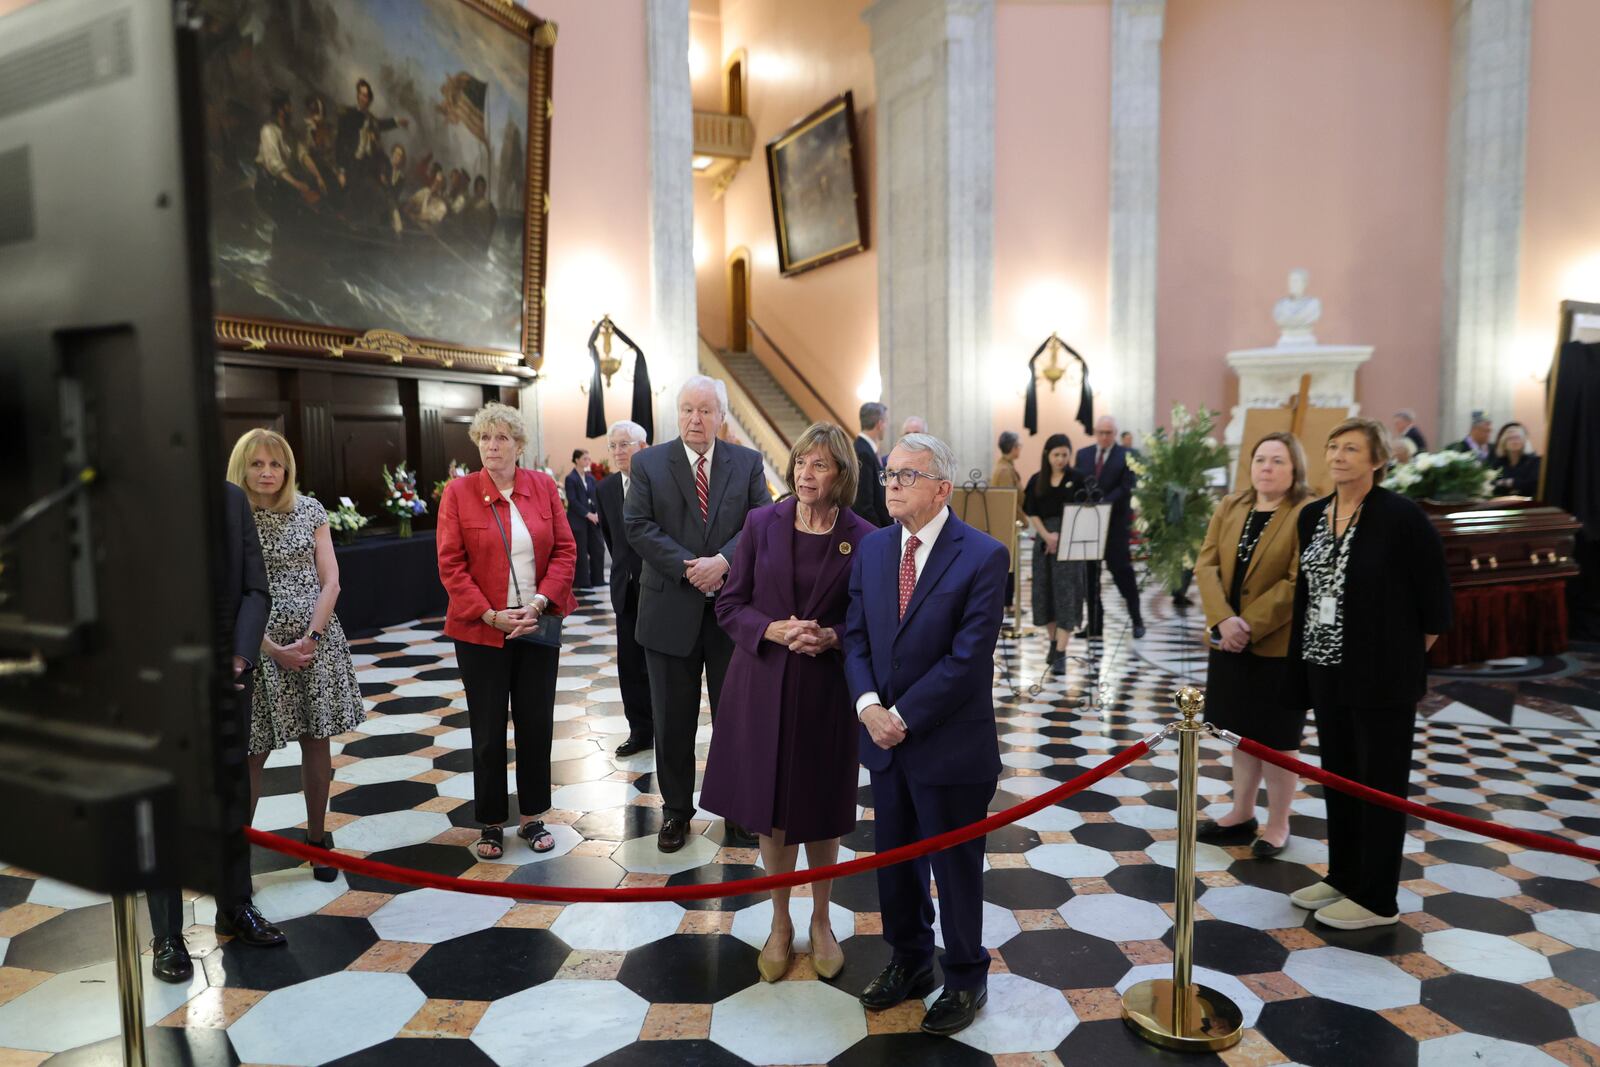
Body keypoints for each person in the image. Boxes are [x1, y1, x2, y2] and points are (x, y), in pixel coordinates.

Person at [846, 434, 1009, 1038]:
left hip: (948, 743)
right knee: (897, 863)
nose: (891, 484)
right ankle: (909, 959)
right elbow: (856, 634)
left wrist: (902, 716)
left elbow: (967, 660)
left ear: (942, 487)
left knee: (956, 865)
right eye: (889, 474)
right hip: (883, 739)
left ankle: (966, 974)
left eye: (907, 476)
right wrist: (867, 706)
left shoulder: (983, 555)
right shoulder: (873, 548)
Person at [701, 423, 875, 983]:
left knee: (823, 810)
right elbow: (730, 604)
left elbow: (869, 621)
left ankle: (822, 921)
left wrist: (832, 637)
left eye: (820, 465)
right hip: (765, 685)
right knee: (770, 813)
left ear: (841, 474)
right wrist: (773, 630)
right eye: (801, 462)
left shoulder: (865, 536)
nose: (805, 473)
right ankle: (779, 924)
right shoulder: (761, 523)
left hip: (826, 692)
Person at [1286, 418, 1452, 930]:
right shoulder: (1313, 515)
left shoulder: (1402, 518)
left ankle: (1377, 898)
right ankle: (1344, 876)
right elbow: (1305, 593)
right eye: (1333, 446)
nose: (1338, 456)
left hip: (1382, 677)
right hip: (1325, 668)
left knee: (1379, 784)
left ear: (1377, 460)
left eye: (1351, 448)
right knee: (1339, 778)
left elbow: (1435, 605)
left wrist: (1401, 659)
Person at [624, 376, 772, 853]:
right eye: (687, 409)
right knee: (672, 722)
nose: (695, 419)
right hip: (669, 609)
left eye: (705, 410)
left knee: (736, 720)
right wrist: (691, 569)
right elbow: (637, 526)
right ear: (677, 414)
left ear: (721, 416)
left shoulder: (746, 462)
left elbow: (760, 522)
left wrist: (723, 563)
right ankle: (675, 813)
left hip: (733, 615)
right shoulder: (648, 463)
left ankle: (738, 810)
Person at [150, 482, 285, 983]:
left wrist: (241, 655)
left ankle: (235, 906)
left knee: (230, 792)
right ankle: (167, 934)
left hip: (230, 677)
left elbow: (255, 587)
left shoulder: (229, 498)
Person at [436, 403, 578, 860]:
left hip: (536, 624)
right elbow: (452, 566)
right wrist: (490, 614)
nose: (492, 446)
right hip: (482, 631)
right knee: (488, 728)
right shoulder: (458, 493)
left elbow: (564, 550)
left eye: (502, 438)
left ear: (519, 445)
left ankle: (533, 815)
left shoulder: (541, 486)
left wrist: (539, 603)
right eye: (485, 438)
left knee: (536, 725)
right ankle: (492, 822)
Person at [228, 429, 364, 884]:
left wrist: (311, 638)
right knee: (252, 750)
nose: (268, 472)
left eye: (276, 464)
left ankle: (317, 838)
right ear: (242, 468)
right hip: (253, 648)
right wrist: (265, 645)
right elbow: (226, 590)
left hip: (313, 642)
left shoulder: (309, 510)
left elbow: (332, 581)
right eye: (257, 464)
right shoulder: (228, 514)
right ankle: (237, 852)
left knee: (316, 738)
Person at [1193, 433, 1312, 858]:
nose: (1266, 467)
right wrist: (1223, 620)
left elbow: (1300, 580)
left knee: (1278, 737)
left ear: (1295, 468)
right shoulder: (1231, 506)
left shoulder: (1306, 511)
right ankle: (1241, 811)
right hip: (1228, 641)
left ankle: (1279, 822)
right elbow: (1206, 563)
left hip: (1276, 644)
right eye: (1260, 459)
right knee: (1239, 732)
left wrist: (1248, 624)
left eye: (1278, 460)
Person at [596, 421, 654, 756]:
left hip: (659, 587)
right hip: (625, 588)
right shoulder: (605, 489)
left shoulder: (659, 483)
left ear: (643, 447)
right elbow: (610, 536)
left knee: (660, 664)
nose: (618, 452)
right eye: (613, 446)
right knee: (629, 665)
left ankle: (666, 725)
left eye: (625, 445)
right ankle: (640, 731)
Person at [1023, 433, 1089, 677]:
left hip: (1071, 543)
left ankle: (1061, 652)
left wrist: (1061, 535)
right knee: (1045, 593)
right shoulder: (1037, 480)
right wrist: (1047, 536)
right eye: (1056, 455)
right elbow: (1032, 511)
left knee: (1067, 595)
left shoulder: (1078, 479)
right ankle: (1052, 643)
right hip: (1044, 544)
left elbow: (1085, 510)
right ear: (1047, 456)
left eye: (1064, 454)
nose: (1061, 459)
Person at [1076, 415, 1145, 638]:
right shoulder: (1084, 455)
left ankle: (1136, 619)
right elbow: (1078, 483)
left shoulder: (1127, 455)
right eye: (1101, 432)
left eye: (1108, 433)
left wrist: (1102, 503)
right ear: (1095, 433)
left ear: (1115, 434)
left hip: (1115, 525)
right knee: (1089, 577)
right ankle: (1094, 624)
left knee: (1122, 573)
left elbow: (1127, 487)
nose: (1104, 437)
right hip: (1089, 526)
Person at [564, 449, 604, 590]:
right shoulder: (571, 478)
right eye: (585, 458)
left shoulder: (590, 478)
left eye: (589, 458)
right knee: (581, 551)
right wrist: (588, 514)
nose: (588, 461)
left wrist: (597, 513)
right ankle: (583, 581)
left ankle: (598, 579)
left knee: (598, 548)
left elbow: (595, 497)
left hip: (593, 518)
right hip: (578, 520)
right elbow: (573, 501)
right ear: (577, 460)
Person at [853, 402, 891, 527]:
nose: (886, 426)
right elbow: (864, 504)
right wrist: (880, 532)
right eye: (885, 422)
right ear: (879, 424)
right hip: (872, 529)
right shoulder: (863, 452)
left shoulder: (865, 449)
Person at [1491, 422, 1541, 497]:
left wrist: (1508, 482)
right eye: (1510, 439)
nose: (1514, 441)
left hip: (1528, 503)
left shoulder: (1534, 461)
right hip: (1503, 502)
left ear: (1524, 441)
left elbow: (1533, 484)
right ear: (1504, 443)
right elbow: (1492, 484)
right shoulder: (1499, 462)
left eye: (1517, 438)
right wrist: (1516, 484)